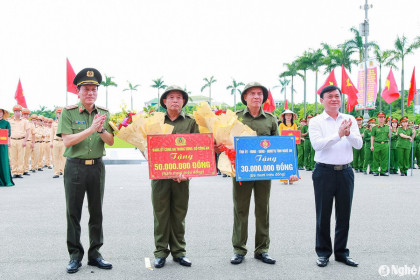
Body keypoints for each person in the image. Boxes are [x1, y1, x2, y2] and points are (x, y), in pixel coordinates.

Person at [221, 82, 298, 265]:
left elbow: (279, 148)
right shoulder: (235, 118)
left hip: (263, 172)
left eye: (259, 94)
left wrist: (288, 171)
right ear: (245, 97)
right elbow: (225, 141)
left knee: (263, 210)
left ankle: (262, 250)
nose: (256, 97)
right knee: (241, 210)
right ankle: (239, 249)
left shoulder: (270, 119)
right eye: (252, 94)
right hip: (242, 172)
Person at [57, 68, 114, 274]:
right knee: (73, 212)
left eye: (94, 89)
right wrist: (91, 129)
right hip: (75, 167)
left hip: (97, 167)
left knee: (96, 212)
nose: (90, 93)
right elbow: (67, 141)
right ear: (78, 92)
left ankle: (95, 254)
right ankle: (74, 255)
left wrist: (101, 130)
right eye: (86, 89)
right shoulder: (69, 112)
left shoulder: (104, 113)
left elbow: (111, 141)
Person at [309, 85, 362, 268]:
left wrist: (348, 134)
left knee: (344, 215)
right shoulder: (316, 121)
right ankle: (323, 252)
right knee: (323, 214)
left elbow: (359, 144)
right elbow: (317, 145)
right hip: (324, 172)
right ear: (322, 100)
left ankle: (341, 253)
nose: (334, 99)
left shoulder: (350, 118)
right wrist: (338, 135)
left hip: (346, 172)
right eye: (329, 96)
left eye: (337, 96)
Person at [151, 85, 199, 269]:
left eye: (179, 97)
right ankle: (161, 252)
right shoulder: (155, 121)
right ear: (164, 101)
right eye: (171, 97)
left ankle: (179, 252)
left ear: (183, 102)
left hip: (182, 177)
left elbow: (197, 150)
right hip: (160, 177)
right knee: (161, 214)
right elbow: (145, 145)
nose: (175, 100)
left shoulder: (190, 122)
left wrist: (189, 172)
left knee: (179, 214)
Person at [9, 105, 30, 178]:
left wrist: (25, 141)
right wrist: (9, 141)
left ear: (21, 112)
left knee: (21, 157)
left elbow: (27, 132)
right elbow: (8, 132)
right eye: (16, 111)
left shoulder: (25, 121)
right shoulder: (10, 121)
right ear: (14, 112)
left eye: (19, 111)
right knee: (13, 157)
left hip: (21, 140)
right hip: (13, 140)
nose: (17, 113)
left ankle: (20, 172)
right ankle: (14, 172)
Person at [370, 112, 390, 176]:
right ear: (378, 118)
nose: (381, 119)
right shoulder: (374, 127)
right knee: (376, 158)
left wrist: (390, 130)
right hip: (377, 143)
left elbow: (389, 136)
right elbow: (372, 136)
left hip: (385, 144)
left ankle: (383, 171)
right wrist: (372, 145)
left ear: (384, 118)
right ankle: (375, 170)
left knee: (384, 158)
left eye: (382, 117)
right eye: (380, 117)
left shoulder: (387, 127)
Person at [0, 107, 14, 187]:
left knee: (4, 161)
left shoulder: (6, 123)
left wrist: (9, 142)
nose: (0, 113)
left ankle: (6, 180)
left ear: (3, 113)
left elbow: (8, 134)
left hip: (3, 145)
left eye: (1, 112)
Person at [51, 108, 66, 178]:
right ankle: (56, 172)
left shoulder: (65, 122)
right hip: (55, 141)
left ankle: (63, 172)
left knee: (63, 158)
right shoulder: (54, 123)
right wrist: (51, 142)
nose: (60, 115)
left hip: (63, 141)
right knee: (55, 157)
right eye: (58, 113)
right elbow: (52, 133)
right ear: (57, 115)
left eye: (61, 113)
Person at [22, 108, 34, 176]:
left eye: (27, 114)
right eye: (24, 114)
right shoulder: (19, 122)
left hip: (28, 141)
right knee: (20, 156)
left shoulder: (31, 124)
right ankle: (19, 170)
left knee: (26, 156)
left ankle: (26, 170)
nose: (26, 116)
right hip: (21, 140)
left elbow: (33, 134)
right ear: (22, 115)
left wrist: (32, 142)